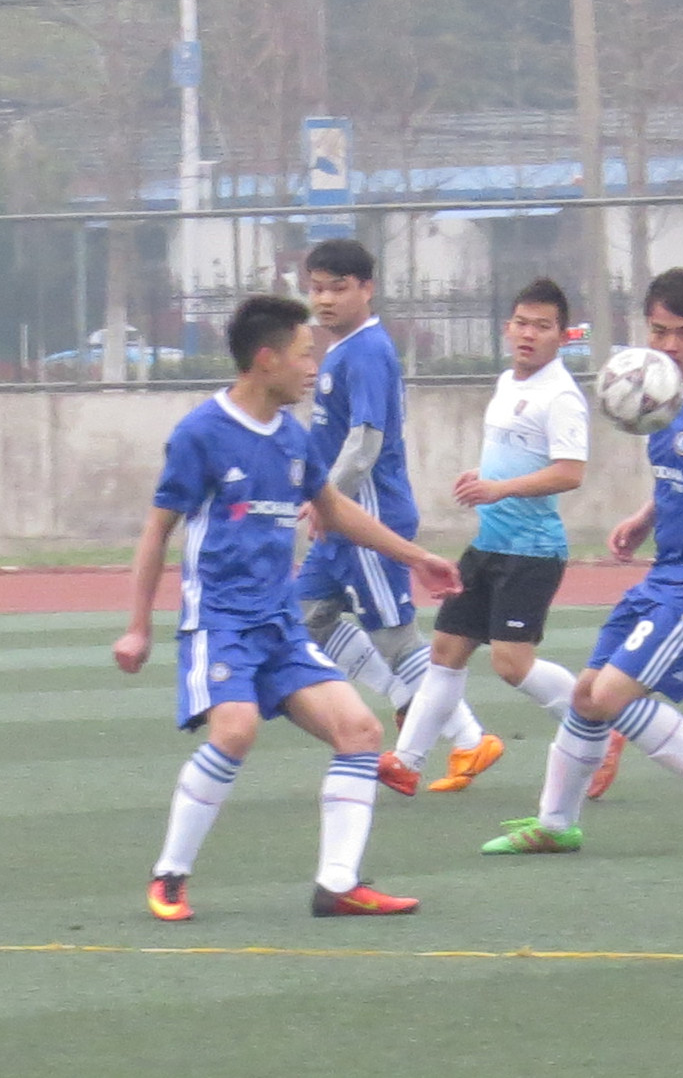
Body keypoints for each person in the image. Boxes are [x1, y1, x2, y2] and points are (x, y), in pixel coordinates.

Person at [113, 293, 462, 922]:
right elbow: (156, 531)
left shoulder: (293, 438)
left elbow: (335, 510)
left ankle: (338, 884)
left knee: (360, 732)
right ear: (266, 359)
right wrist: (138, 627)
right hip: (220, 622)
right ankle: (170, 874)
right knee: (236, 730)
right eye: (304, 355)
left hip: (280, 626)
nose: (314, 368)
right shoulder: (201, 434)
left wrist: (417, 558)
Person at [480, 267, 683, 857]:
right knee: (585, 693)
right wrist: (645, 516)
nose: (670, 345)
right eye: (659, 331)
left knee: (610, 694)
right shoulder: (659, 396)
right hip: (664, 574)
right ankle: (556, 823)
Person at [294, 238, 493, 784]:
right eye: (317, 288)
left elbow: (366, 442)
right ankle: (409, 700)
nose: (325, 299)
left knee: (394, 637)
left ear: (367, 289)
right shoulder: (343, 350)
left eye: (338, 288)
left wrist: (327, 498)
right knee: (305, 615)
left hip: (369, 517)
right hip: (341, 516)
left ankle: (470, 739)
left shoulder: (367, 351)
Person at [380, 279, 588, 794]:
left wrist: (500, 488)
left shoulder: (562, 395)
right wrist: (483, 476)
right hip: (489, 545)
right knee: (446, 649)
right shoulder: (507, 383)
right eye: (522, 323)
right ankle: (406, 762)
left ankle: (596, 722)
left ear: (562, 336)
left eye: (542, 326)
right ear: (507, 327)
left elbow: (570, 472)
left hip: (531, 551)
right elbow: (517, 456)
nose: (529, 334)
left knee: (511, 665)